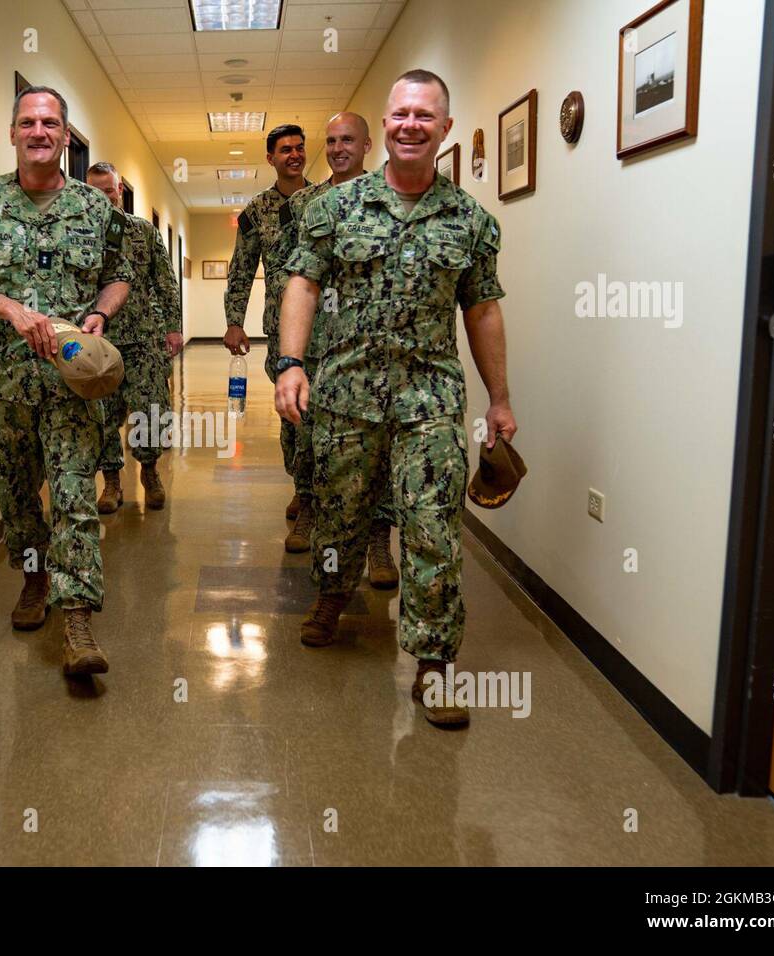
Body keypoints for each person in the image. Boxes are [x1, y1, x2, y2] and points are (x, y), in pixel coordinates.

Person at [275, 70, 519, 726]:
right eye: (400, 113)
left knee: (433, 525)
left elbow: (484, 312)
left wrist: (499, 399)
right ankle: (331, 596)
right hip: (346, 393)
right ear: (386, 124)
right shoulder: (334, 208)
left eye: (425, 115)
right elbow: (301, 283)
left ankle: (435, 666)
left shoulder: (471, 222)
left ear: (444, 128)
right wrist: (291, 364)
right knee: (339, 513)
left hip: (429, 401)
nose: (410, 124)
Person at [0, 86, 130, 678]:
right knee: (17, 500)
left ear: (66, 136)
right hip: (0, 381)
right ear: (12, 134)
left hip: (70, 384)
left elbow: (120, 274)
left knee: (73, 497)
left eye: (50, 123)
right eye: (27, 123)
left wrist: (101, 313)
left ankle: (78, 620)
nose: (38, 132)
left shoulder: (98, 211)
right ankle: (34, 577)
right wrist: (10, 310)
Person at [277, 112, 397, 585]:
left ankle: (378, 542)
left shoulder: (391, 199)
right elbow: (298, 277)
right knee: (312, 440)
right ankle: (307, 510)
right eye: (330, 140)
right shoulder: (306, 203)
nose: (337, 148)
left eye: (347, 139)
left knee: (380, 448)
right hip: (318, 347)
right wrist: (291, 355)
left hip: (370, 348)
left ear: (368, 144)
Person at [221, 124, 312, 526]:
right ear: (270, 158)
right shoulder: (256, 211)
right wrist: (234, 322)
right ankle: (301, 487)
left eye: (299, 148)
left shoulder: (326, 200)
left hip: (329, 328)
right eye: (285, 149)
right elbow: (241, 269)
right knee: (292, 412)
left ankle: (316, 495)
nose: (294, 154)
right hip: (280, 331)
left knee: (325, 413)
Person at [85, 161, 183, 513]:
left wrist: (173, 327)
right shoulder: (80, 235)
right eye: (95, 192)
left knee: (152, 410)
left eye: (108, 190)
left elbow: (165, 281)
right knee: (103, 415)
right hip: (99, 342)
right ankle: (111, 482)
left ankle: (150, 472)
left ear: (119, 190)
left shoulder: (143, 231)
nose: (103, 197)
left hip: (145, 338)